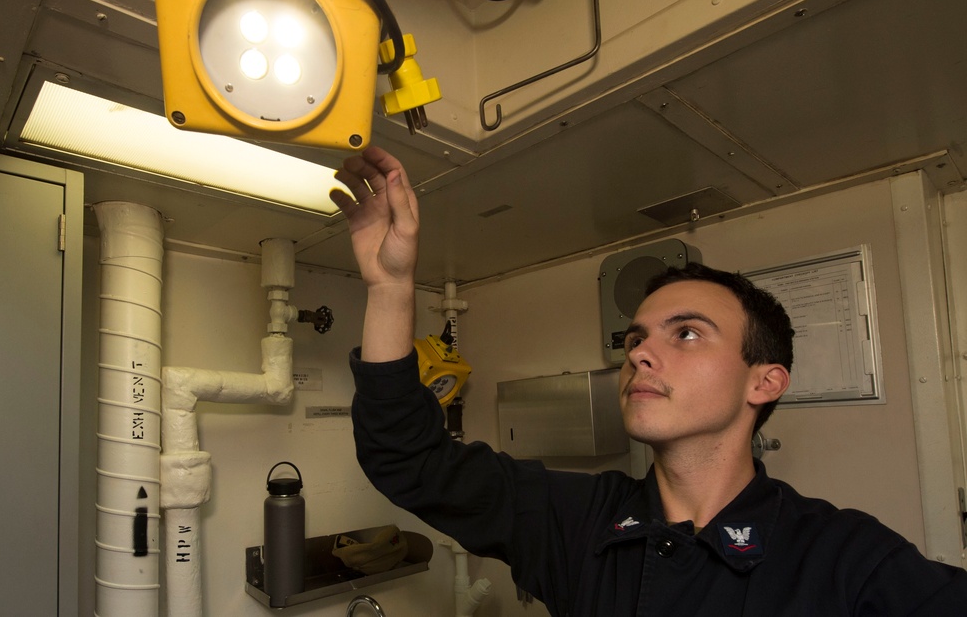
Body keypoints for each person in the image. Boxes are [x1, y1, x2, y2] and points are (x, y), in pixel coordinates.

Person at [330, 147, 967, 615]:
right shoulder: (577, 522)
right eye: (637, 339)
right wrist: (389, 289)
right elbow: (409, 458)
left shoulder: (843, 560)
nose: (641, 354)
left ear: (764, 382)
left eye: (686, 333)